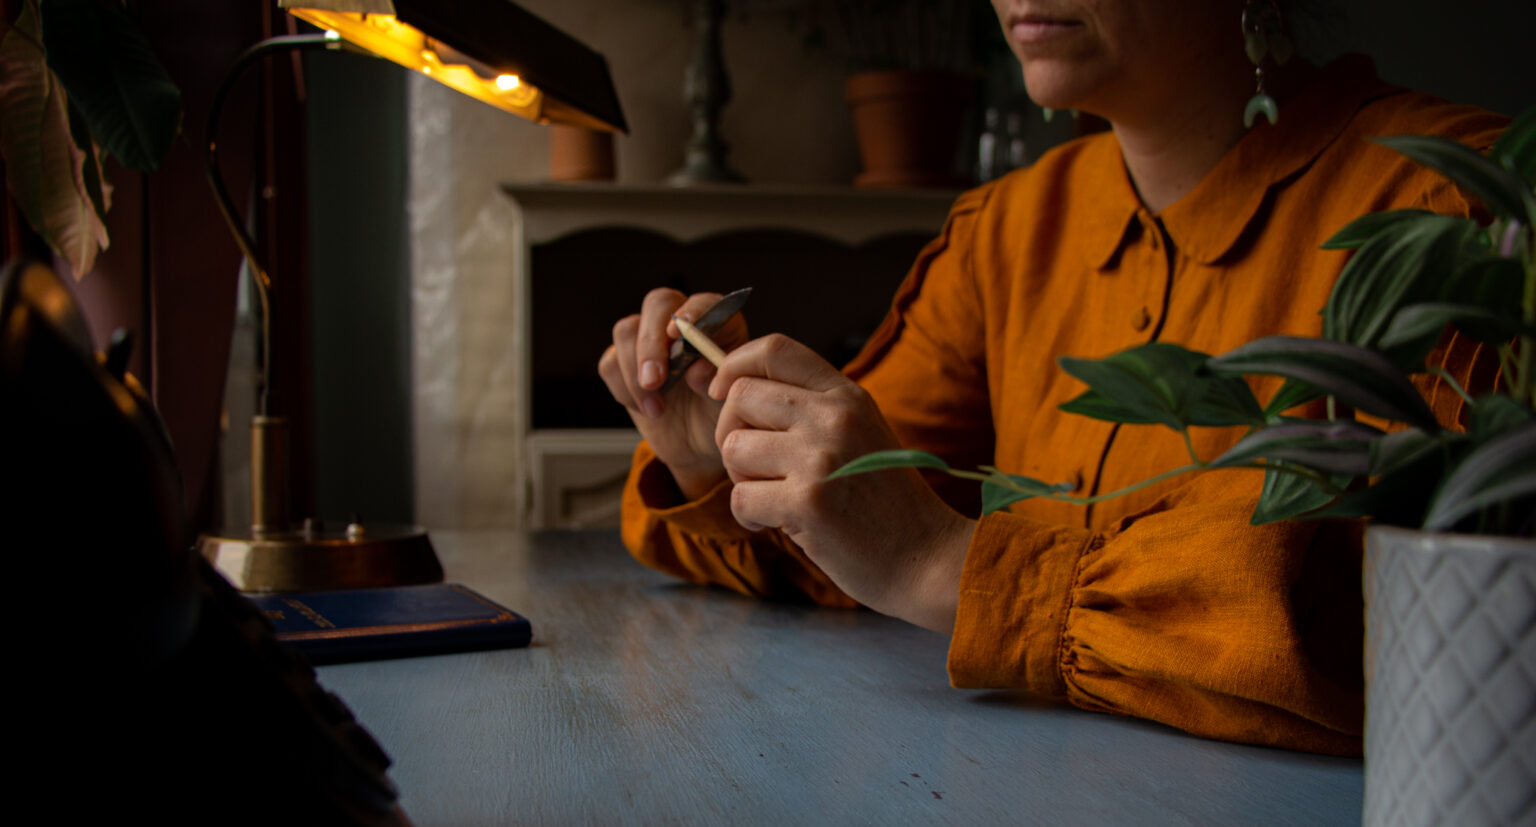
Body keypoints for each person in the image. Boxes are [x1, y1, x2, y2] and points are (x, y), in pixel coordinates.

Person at [597, 0, 1506, 756]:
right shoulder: (1007, 232)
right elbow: (854, 524)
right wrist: (718, 454)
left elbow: (1417, 632)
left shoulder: (1470, 210)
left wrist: (943, 564)